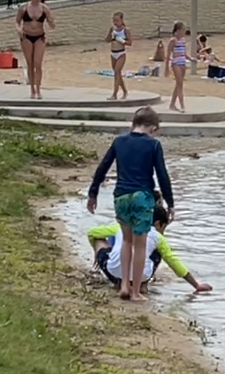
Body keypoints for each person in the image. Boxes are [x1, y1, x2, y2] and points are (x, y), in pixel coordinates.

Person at [86, 106, 176, 302]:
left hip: (121, 196)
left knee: (126, 240)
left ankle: (124, 285)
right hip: (142, 196)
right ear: (152, 128)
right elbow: (162, 175)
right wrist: (170, 202)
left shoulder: (119, 141)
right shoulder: (153, 145)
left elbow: (102, 168)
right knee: (140, 244)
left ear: (132, 124)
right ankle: (135, 292)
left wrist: (93, 194)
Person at [87, 205, 212, 294]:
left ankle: (120, 283)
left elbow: (92, 233)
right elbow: (174, 262)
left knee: (100, 240)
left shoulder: (122, 227)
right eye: (164, 227)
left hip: (113, 273)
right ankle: (142, 286)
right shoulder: (158, 237)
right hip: (141, 276)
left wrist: (97, 253)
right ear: (158, 224)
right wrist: (196, 285)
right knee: (157, 252)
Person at [16, 0, 54, 100]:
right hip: (27, 36)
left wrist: (51, 23)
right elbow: (17, 21)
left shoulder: (44, 8)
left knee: (38, 63)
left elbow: (52, 22)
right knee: (30, 64)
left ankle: (38, 89)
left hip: (39, 37)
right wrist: (19, 30)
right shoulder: (24, 8)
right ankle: (32, 89)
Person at [104, 11, 130, 101]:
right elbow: (107, 40)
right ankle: (125, 91)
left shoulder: (125, 30)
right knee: (117, 74)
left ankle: (114, 94)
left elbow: (130, 42)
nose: (115, 23)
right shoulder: (112, 29)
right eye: (114, 21)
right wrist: (110, 35)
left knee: (116, 72)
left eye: (117, 21)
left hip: (121, 53)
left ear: (121, 20)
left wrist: (121, 40)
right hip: (113, 53)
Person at [167, 21, 190, 111]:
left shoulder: (183, 40)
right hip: (176, 63)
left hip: (182, 62)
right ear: (179, 30)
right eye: (183, 30)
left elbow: (184, 53)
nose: (184, 32)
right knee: (180, 84)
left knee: (178, 84)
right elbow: (168, 54)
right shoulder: (173, 40)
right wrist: (166, 67)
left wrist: (191, 58)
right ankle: (182, 105)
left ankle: (172, 104)